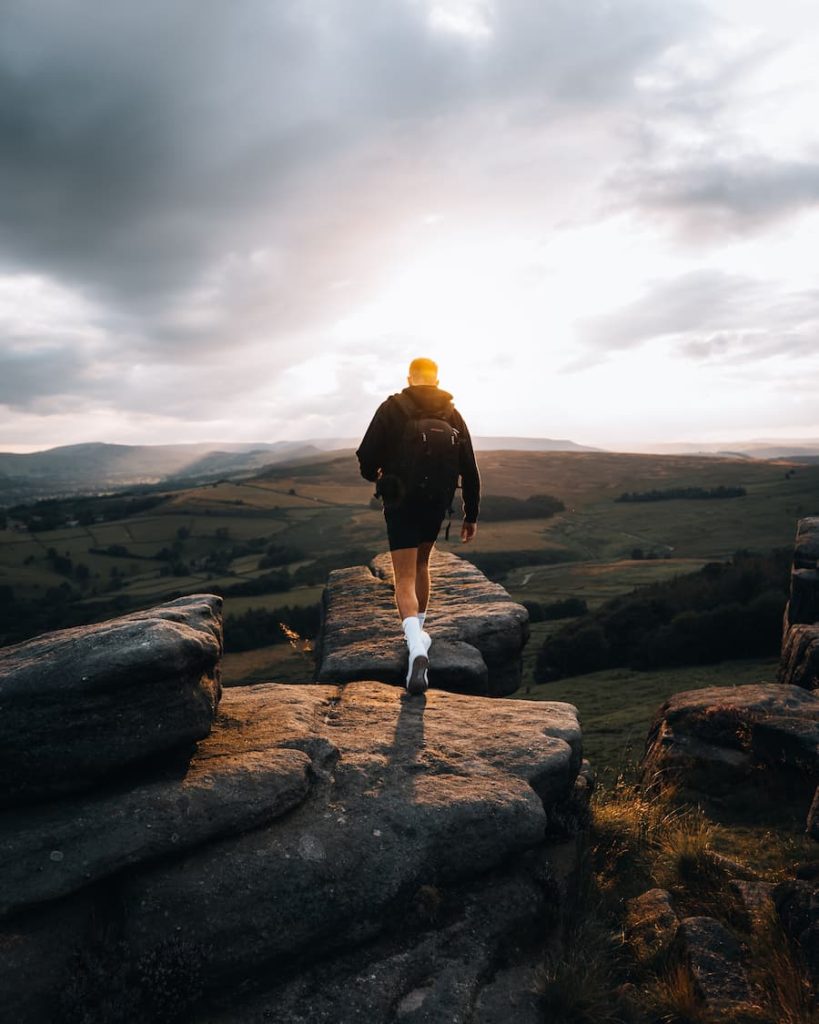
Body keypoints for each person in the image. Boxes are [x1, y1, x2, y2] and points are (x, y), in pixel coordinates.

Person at [356, 357, 480, 695]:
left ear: (410, 377)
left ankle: (415, 646)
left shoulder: (393, 407)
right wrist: (471, 514)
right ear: (437, 380)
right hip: (437, 500)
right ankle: (420, 634)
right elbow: (469, 468)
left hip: (400, 499)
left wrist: (376, 475)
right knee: (423, 564)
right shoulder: (451, 413)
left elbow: (366, 455)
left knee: (404, 576)